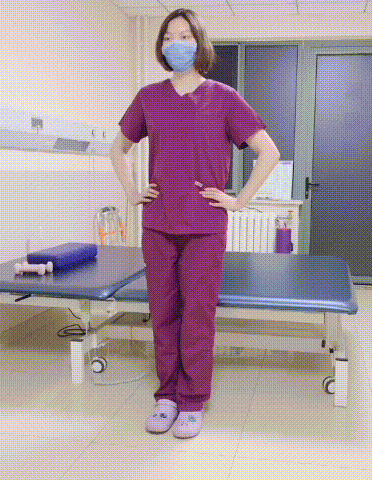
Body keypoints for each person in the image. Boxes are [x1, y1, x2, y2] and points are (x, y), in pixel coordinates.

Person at [110, 8, 280, 439]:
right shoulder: (149, 97)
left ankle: (192, 400)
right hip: (158, 223)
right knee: (163, 312)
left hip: (205, 225)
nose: (177, 43)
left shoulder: (224, 97)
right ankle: (167, 395)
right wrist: (132, 192)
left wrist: (238, 200)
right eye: (169, 37)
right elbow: (118, 149)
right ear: (161, 46)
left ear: (199, 43)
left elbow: (269, 152)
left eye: (185, 36)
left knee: (198, 315)